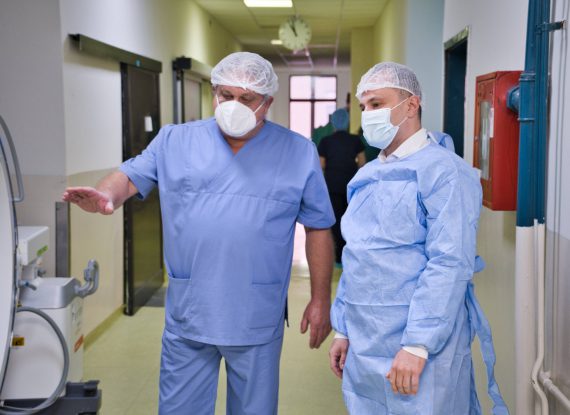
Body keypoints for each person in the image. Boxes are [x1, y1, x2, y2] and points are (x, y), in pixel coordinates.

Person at [63, 51, 335, 415]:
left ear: (267, 102)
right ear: (213, 93)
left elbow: (318, 226)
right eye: (226, 95)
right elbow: (129, 176)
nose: (233, 106)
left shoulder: (298, 152)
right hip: (190, 311)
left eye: (247, 98)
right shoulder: (175, 141)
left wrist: (320, 299)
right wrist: (105, 195)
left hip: (255, 314)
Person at [328, 62, 508, 414]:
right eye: (364, 106)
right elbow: (358, 257)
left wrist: (417, 345)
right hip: (364, 343)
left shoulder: (445, 172)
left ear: (411, 105)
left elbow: (449, 263)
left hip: (420, 350)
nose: (368, 114)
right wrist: (343, 329)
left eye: (377, 104)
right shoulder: (368, 175)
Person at [317, 108, 365, 265]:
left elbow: (321, 165)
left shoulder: (325, 141)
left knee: (336, 220)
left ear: (333, 123)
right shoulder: (355, 140)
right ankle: (351, 254)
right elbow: (362, 164)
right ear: (347, 122)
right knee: (351, 219)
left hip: (332, 186)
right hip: (351, 187)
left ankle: (338, 257)